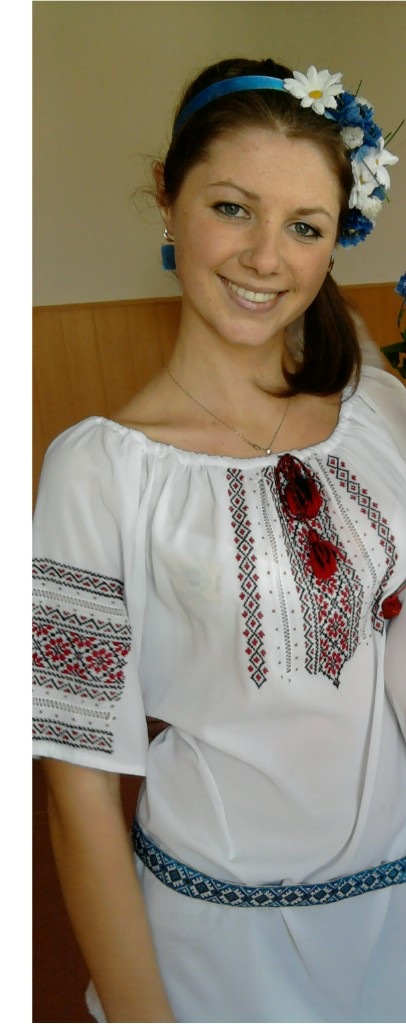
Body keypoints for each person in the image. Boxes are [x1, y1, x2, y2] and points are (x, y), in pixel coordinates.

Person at [32, 56, 406, 1023]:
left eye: (305, 227)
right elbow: (78, 793)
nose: (266, 259)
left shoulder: (375, 412)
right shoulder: (98, 470)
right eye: (233, 208)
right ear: (168, 197)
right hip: (222, 943)